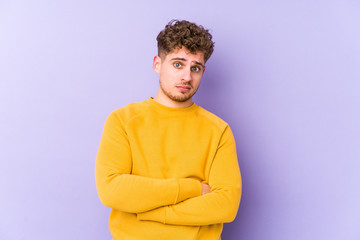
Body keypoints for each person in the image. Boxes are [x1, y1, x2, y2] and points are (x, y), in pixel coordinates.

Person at [95, 19, 242, 240]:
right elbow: (111, 190)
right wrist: (192, 188)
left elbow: (225, 206)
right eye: (177, 64)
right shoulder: (123, 120)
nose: (187, 77)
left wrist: (152, 212)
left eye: (195, 68)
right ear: (157, 64)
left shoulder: (218, 130)